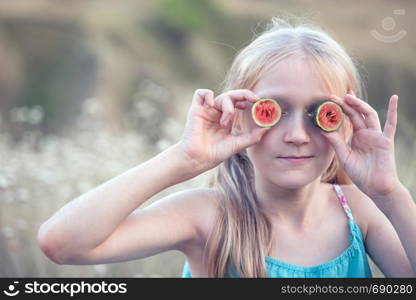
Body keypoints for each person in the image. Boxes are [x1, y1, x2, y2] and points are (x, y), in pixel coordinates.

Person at [37, 17, 416, 278]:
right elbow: (62, 244)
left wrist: (390, 194)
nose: (298, 134)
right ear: (237, 118)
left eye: (321, 113)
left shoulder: (361, 211)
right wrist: (183, 159)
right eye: (273, 110)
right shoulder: (208, 217)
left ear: (346, 121)